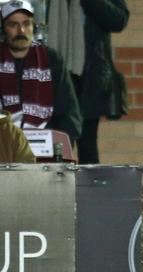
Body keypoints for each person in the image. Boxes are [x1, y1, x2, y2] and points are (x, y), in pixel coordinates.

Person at [48, 0, 130, 163]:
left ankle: (90, 188)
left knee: (88, 147)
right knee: (58, 145)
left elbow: (119, 20)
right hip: (54, 74)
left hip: (89, 76)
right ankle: (56, 187)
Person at [0, 0, 82, 141]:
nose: (22, 31)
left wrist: (58, 147)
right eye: (13, 25)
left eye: (26, 24)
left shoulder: (51, 59)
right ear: (3, 30)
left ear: (34, 27)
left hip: (44, 143)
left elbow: (69, 115)